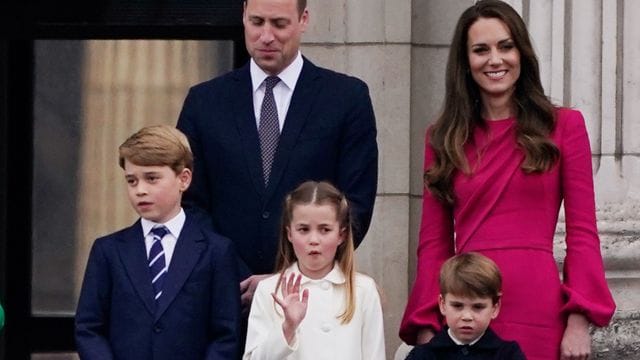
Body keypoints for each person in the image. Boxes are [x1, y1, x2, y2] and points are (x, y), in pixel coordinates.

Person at [399, 1, 615, 359]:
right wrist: (427, 324)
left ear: (522, 54)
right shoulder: (442, 137)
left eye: (505, 46)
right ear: (465, 63)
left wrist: (579, 319)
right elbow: (433, 242)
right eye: (481, 50)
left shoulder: (564, 126)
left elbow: (582, 232)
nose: (495, 60)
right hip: (467, 306)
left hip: (538, 307)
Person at [176, 0, 378, 309]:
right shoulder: (205, 102)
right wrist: (231, 272)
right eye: (257, 22)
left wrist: (291, 275)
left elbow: (355, 203)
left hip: (312, 297)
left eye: (279, 24)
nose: (266, 36)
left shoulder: (346, 99)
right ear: (243, 16)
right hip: (223, 298)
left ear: (303, 20)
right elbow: (188, 202)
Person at [75, 125, 241, 360]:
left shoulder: (216, 251)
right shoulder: (108, 251)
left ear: (184, 179)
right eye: (131, 181)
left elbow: (225, 335)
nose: (140, 190)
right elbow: (89, 328)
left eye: (152, 179)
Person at [243, 181, 385, 359]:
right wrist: (288, 328)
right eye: (303, 229)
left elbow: (375, 355)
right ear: (289, 234)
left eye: (325, 230)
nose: (314, 240)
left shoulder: (363, 290)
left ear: (341, 235)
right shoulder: (269, 290)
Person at [405, 252, 525, 360]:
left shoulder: (508, 355)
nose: (467, 316)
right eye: (457, 306)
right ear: (442, 304)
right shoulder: (422, 355)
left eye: (478, 307)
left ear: (495, 307)